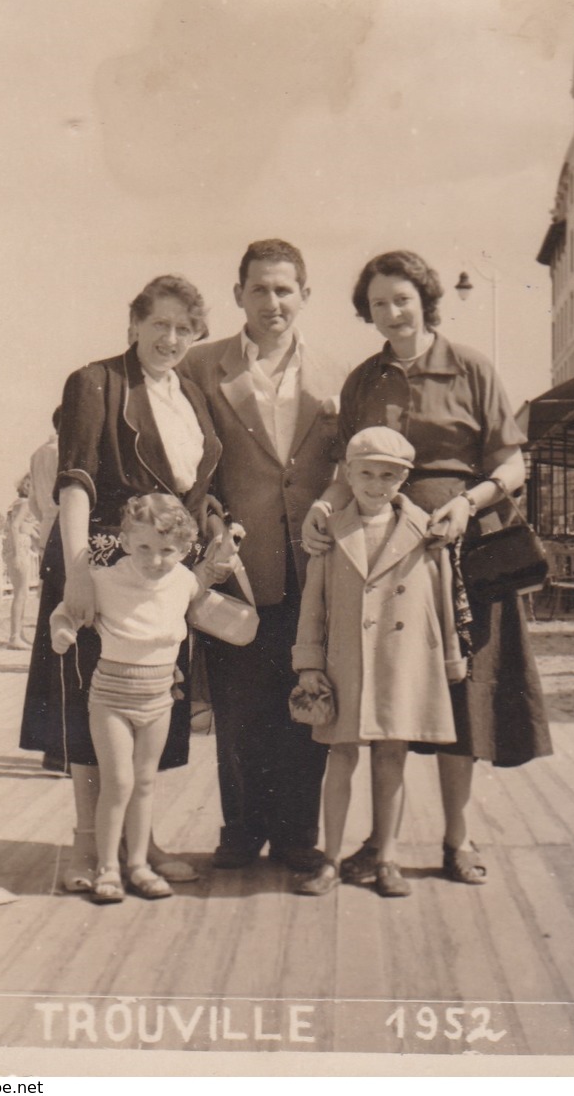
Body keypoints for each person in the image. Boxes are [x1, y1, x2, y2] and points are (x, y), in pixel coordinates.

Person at [303, 249, 550, 888]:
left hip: (465, 549)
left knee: (464, 697)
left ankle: (456, 841)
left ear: (425, 300)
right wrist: (322, 510)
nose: (392, 313)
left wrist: (469, 503)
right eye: (379, 303)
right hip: (381, 558)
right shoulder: (364, 380)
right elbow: (344, 469)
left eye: (402, 299)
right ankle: (379, 845)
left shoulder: (471, 367)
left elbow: (513, 463)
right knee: (379, 696)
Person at [19, 274, 225, 894]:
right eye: (158, 324)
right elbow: (76, 478)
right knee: (93, 699)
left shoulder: (191, 393)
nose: (170, 338)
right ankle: (88, 848)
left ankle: (142, 842)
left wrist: (214, 533)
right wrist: (79, 568)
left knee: (152, 694)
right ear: (133, 324)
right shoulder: (96, 382)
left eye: (183, 328)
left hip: (163, 563)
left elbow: (199, 488)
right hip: (106, 554)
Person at [180, 240, 343, 873]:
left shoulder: (335, 372)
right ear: (238, 295)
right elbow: (187, 461)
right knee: (240, 707)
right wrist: (211, 520)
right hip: (236, 570)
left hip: (314, 564)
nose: (272, 302)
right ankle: (242, 830)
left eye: (284, 289)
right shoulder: (200, 366)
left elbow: (344, 464)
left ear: (304, 294)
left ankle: (300, 834)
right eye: (259, 289)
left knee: (309, 701)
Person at [290, 427, 466, 897]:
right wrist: (309, 662)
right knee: (340, 756)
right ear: (347, 474)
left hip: (400, 662)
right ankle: (329, 859)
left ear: (403, 479)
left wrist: (450, 656)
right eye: (365, 473)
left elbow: (443, 597)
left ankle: (387, 857)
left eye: (388, 475)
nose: (375, 483)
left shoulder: (424, 530)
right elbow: (314, 603)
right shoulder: (331, 530)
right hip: (344, 662)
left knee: (393, 756)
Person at [49, 494, 228, 903]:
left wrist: (222, 547)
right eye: (144, 547)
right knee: (119, 781)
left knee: (144, 782)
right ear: (126, 541)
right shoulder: (105, 579)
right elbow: (64, 610)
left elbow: (203, 578)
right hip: (111, 695)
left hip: (160, 697)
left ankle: (139, 865)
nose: (155, 559)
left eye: (167, 550)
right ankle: (109, 867)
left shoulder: (181, 579)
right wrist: (63, 631)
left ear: (183, 550)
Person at [4, 475, 39, 650]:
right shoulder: (25, 504)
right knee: (21, 593)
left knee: (21, 593)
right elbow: (15, 527)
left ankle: (18, 633)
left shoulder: (16, 503)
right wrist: (18, 554)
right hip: (20, 550)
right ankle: (15, 636)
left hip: (14, 549)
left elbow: (16, 526)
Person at [27, 409, 61, 555]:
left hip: (47, 527)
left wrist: (47, 518)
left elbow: (32, 501)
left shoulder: (37, 454)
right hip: (67, 528)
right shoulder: (64, 451)